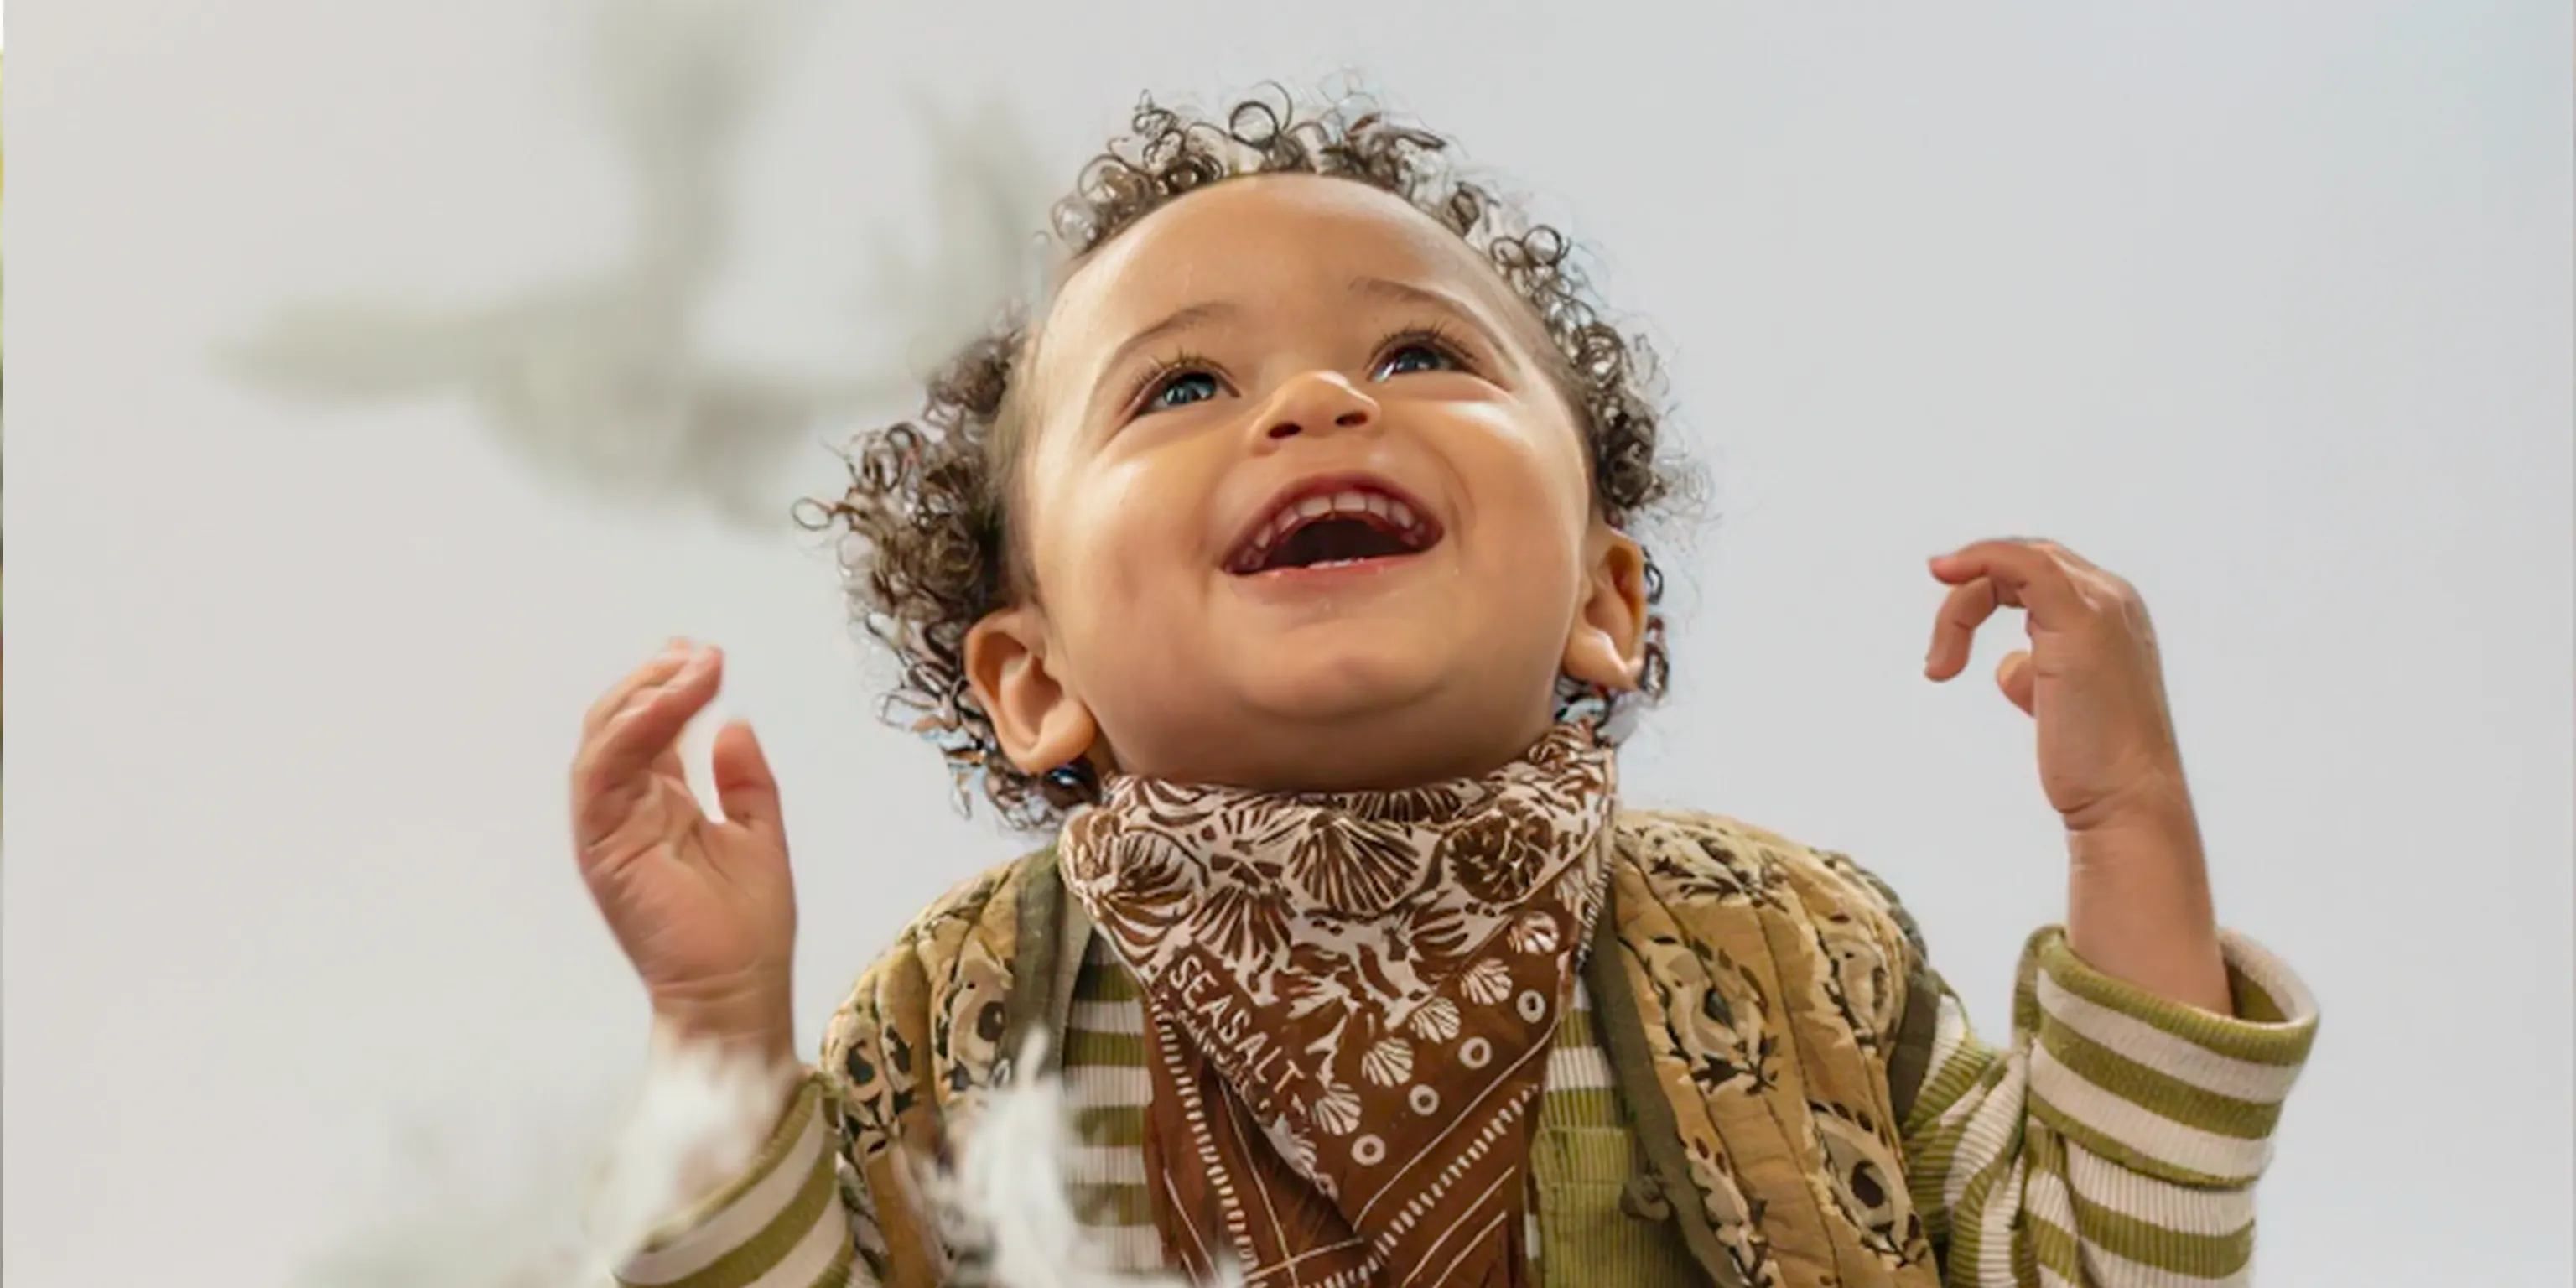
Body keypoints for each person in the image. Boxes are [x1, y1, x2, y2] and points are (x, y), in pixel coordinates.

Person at [568, 92, 2316, 1288]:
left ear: (1602, 600)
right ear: (1034, 682)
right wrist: (719, 1024)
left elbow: (2099, 1259)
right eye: (1179, 387)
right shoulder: (966, 1014)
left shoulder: (1795, 955)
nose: (1320, 400)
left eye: (1420, 354)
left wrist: (2131, 827)